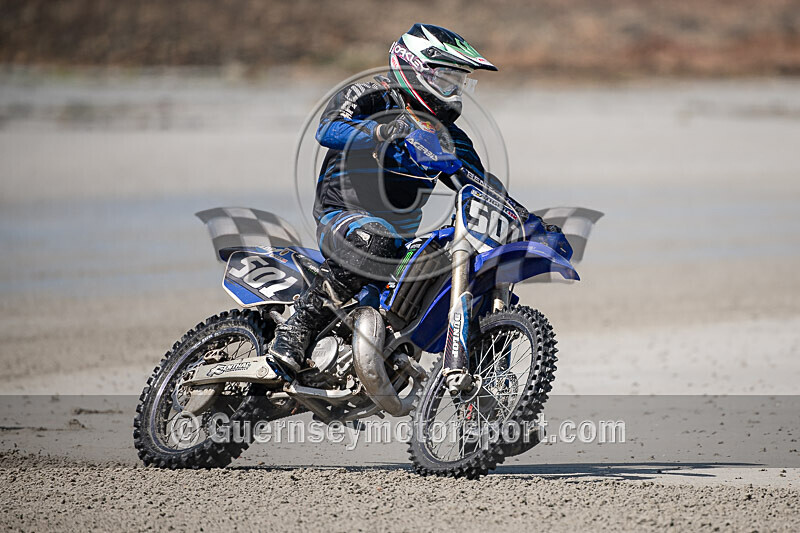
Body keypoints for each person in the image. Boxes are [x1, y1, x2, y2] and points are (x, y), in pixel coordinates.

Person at [269, 23, 527, 373]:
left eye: (458, 82)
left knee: (456, 265)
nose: (452, 90)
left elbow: (477, 183)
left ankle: (491, 394)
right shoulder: (371, 95)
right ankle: (296, 328)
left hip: (400, 236)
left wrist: (521, 217)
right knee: (376, 239)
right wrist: (382, 131)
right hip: (343, 216)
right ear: (413, 69)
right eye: (446, 79)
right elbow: (327, 128)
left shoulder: (448, 134)